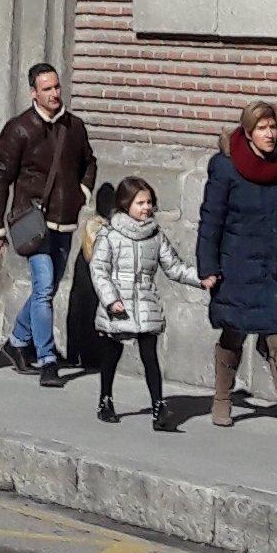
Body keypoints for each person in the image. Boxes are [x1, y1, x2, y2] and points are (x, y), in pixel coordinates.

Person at [197, 102, 277, 440]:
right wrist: (208, 266)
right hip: (237, 264)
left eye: (273, 127)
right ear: (248, 132)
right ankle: (222, 399)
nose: (270, 134)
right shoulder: (225, 167)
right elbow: (211, 220)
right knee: (234, 331)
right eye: (262, 128)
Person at [0, 63, 97, 387]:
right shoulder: (19, 129)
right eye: (47, 89)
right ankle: (47, 359)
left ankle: (17, 341)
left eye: (57, 87)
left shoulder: (74, 127)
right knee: (44, 288)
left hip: (65, 221)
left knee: (46, 289)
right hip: (32, 222)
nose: (54, 94)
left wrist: (82, 192)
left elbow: (89, 162)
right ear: (34, 92)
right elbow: (0, 178)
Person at [88, 172, 201, 428]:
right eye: (140, 203)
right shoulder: (110, 234)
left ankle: (159, 408)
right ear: (125, 204)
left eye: (149, 202)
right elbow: (99, 269)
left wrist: (202, 279)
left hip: (146, 301)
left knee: (150, 355)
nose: (146, 207)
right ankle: (105, 400)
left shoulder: (155, 235)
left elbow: (174, 267)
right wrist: (111, 300)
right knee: (112, 353)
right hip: (118, 303)